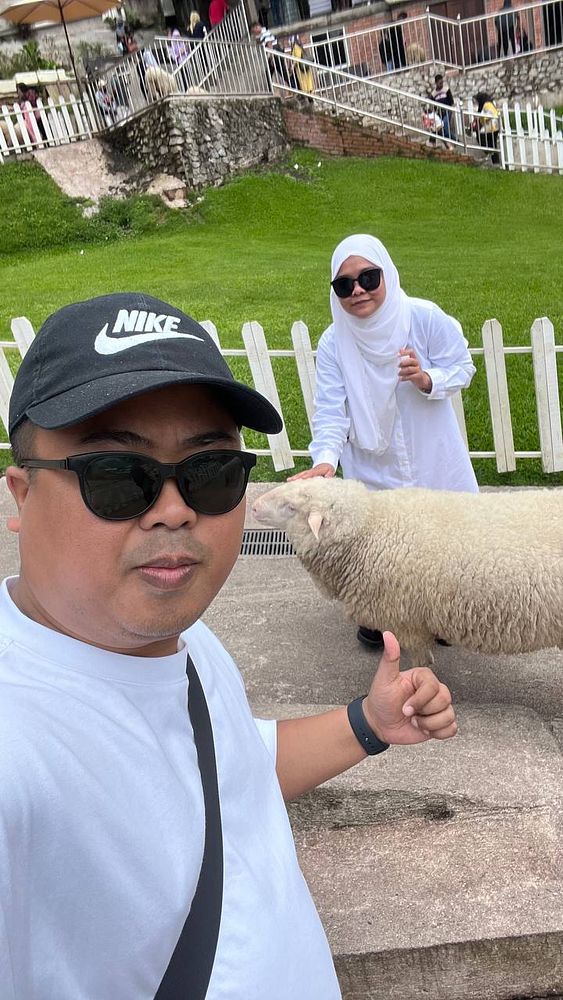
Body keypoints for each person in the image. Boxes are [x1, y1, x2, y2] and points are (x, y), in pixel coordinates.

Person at [1, 292, 457, 997]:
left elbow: (221, 770)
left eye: (211, 473)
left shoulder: (179, 638)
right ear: (22, 496)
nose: (175, 510)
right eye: (116, 475)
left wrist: (368, 724)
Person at [289, 234, 478, 649]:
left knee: (443, 538)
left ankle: (443, 615)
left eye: (369, 278)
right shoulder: (334, 342)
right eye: (344, 285)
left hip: (431, 452)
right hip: (373, 459)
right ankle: (385, 616)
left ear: (386, 273)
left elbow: (462, 366)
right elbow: (332, 410)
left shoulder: (422, 318)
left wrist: (427, 378)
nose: (358, 290)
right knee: (383, 546)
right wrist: (325, 460)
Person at [473, 92, 500, 164]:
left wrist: (481, 119)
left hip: (491, 127)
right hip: (493, 127)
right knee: (492, 145)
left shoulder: (487, 105)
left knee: (482, 139)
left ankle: (490, 155)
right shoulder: (488, 104)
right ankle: (495, 161)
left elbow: (489, 115)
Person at [431, 73, 455, 140]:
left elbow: (451, 101)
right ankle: (454, 140)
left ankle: (456, 140)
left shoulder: (446, 89)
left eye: (442, 82)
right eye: (440, 83)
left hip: (447, 110)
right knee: (442, 129)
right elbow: (433, 105)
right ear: (436, 83)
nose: (441, 84)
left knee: (445, 126)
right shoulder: (433, 94)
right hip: (440, 112)